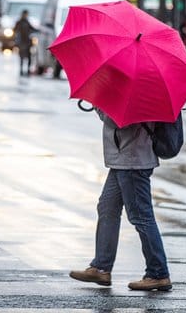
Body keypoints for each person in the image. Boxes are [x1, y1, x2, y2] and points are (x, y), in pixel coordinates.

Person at [69, 109, 172, 291]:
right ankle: (101, 267)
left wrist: (99, 106)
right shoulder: (133, 91)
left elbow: (118, 120)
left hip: (132, 161)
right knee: (107, 208)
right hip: (123, 159)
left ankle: (158, 273)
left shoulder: (135, 94)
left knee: (141, 217)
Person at [13, 10, 38, 77]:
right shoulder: (19, 22)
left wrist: (38, 30)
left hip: (28, 42)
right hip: (21, 42)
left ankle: (27, 70)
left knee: (29, 57)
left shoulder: (27, 22)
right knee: (21, 57)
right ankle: (21, 70)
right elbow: (15, 31)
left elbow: (32, 29)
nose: (26, 15)